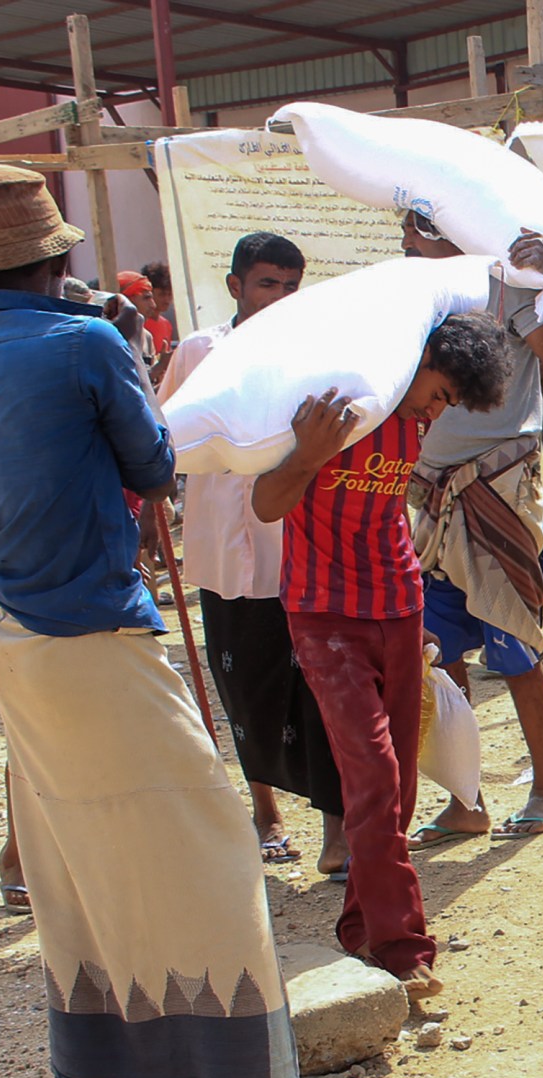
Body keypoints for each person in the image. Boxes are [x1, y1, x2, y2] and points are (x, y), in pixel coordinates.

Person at [0, 163, 358, 1078]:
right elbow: (154, 466)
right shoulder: (85, 343)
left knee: (73, 863)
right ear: (60, 258)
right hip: (92, 630)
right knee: (209, 839)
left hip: (9, 644)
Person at [250, 314, 510, 997]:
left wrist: (418, 618)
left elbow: (387, 510)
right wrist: (307, 454)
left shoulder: (412, 420)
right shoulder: (336, 411)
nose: (437, 407)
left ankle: (360, 927)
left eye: (451, 401)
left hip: (397, 607)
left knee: (393, 789)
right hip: (323, 613)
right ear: (417, 358)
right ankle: (402, 946)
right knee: (370, 773)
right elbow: (267, 502)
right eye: (440, 390)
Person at [156, 232, 349, 877]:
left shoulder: (316, 356)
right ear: (236, 285)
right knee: (242, 688)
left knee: (316, 691)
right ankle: (265, 814)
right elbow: (164, 432)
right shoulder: (198, 352)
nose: (281, 298)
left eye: (292, 287)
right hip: (218, 552)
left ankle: (336, 829)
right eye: (268, 284)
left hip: (292, 547)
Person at [401, 215, 543, 845]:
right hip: (431, 498)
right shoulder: (418, 298)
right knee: (441, 649)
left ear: (441, 227)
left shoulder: (508, 292)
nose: (407, 248)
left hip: (497, 488)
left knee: (513, 643)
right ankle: (467, 799)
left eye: (414, 236)